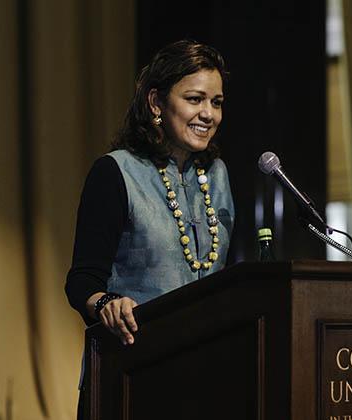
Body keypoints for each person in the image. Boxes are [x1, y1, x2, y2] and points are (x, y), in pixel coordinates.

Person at [64, 39, 234, 416]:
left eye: (217, 102)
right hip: (130, 376)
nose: (209, 114)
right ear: (156, 103)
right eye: (195, 99)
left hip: (206, 377)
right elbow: (81, 282)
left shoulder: (217, 176)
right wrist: (107, 304)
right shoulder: (115, 172)